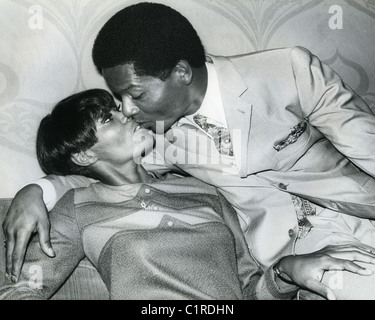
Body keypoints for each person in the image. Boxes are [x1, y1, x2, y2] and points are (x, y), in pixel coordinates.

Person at [4, 2, 375, 299]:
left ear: (181, 72)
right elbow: (104, 174)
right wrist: (36, 190)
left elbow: (367, 144)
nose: (129, 110)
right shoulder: (156, 136)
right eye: (119, 103)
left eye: (135, 95)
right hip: (297, 256)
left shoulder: (288, 69)